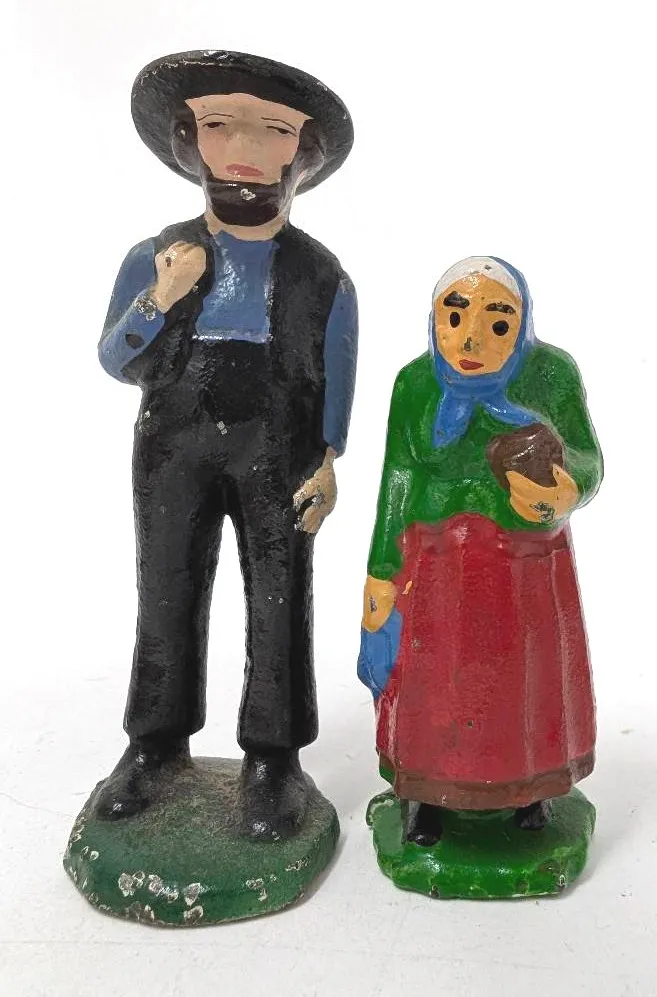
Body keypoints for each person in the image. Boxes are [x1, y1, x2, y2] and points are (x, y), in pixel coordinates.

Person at [93, 51, 357, 840]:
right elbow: (115, 359)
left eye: (272, 129)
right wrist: (161, 296)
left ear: (301, 154)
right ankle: (154, 742)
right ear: (189, 140)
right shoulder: (155, 256)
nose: (244, 147)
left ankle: (274, 755)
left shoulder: (320, 273)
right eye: (219, 124)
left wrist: (329, 459)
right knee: (166, 586)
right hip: (173, 441)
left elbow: (337, 368)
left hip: (278, 445)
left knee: (281, 592)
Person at [358, 256, 602, 846]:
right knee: (434, 680)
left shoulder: (552, 375)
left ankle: (531, 786)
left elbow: (588, 459)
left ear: (522, 326)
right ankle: (426, 792)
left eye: (496, 324)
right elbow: (397, 478)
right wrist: (381, 570)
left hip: (524, 564)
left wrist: (563, 489)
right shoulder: (415, 384)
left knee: (524, 676)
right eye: (454, 318)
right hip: (436, 563)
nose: (471, 341)